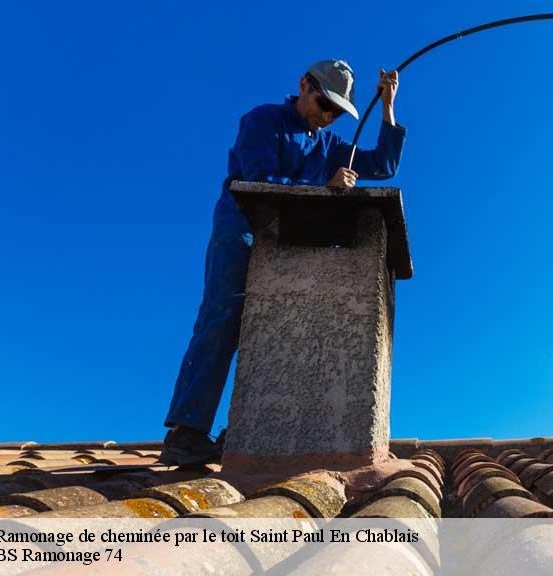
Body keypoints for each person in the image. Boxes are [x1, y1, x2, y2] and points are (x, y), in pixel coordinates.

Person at [160, 59, 406, 465]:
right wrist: (322, 185)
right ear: (304, 85)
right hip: (240, 231)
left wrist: (388, 108)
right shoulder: (262, 121)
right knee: (223, 318)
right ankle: (186, 433)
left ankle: (250, 429)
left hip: (287, 245)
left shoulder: (329, 146)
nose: (328, 117)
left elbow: (382, 164)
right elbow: (257, 180)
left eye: (335, 112)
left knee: (281, 326)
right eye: (324, 104)